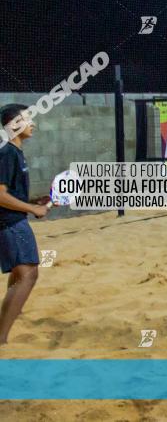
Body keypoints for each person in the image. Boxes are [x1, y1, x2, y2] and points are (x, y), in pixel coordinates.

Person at [0, 104, 49, 345]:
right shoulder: (7, 153)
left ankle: (8, 319)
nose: (33, 124)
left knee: (21, 274)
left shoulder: (15, 153)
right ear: (14, 125)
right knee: (28, 274)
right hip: (11, 224)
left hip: (12, 221)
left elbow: (9, 193)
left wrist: (32, 201)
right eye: (27, 119)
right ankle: (2, 338)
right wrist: (32, 209)